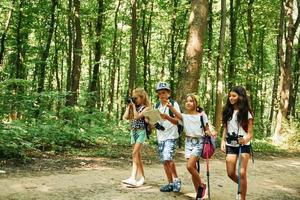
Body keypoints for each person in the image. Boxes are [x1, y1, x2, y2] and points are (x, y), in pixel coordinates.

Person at [165, 94, 211, 199]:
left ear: (196, 103)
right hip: (188, 142)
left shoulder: (202, 115)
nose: (188, 102)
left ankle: (202, 184)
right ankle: (198, 193)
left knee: (189, 166)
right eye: (187, 101)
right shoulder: (184, 116)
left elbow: (207, 128)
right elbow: (176, 114)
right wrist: (170, 106)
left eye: (191, 101)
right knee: (193, 169)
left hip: (199, 142)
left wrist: (208, 133)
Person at [220, 86, 254, 200]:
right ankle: (241, 186)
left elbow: (250, 134)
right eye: (230, 96)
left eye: (234, 96)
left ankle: (242, 196)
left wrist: (245, 140)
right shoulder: (227, 111)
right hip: (231, 145)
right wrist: (223, 141)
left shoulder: (246, 112)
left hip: (243, 146)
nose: (231, 98)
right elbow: (225, 128)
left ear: (241, 97)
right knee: (230, 173)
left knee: (242, 173)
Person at [154, 82, 182, 193]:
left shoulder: (173, 104)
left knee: (167, 158)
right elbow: (155, 120)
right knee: (164, 161)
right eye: (160, 93)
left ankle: (176, 180)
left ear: (169, 93)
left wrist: (167, 117)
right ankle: (170, 183)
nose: (162, 95)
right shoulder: (157, 106)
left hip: (171, 135)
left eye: (164, 93)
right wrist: (152, 122)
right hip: (160, 136)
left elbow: (178, 120)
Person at [122, 88, 151, 187]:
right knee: (137, 156)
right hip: (133, 132)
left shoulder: (146, 108)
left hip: (141, 132)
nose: (134, 100)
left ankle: (133, 178)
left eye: (136, 98)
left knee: (134, 153)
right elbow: (125, 117)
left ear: (142, 98)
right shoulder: (133, 106)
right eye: (133, 98)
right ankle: (142, 177)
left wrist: (133, 107)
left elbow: (137, 117)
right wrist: (128, 106)